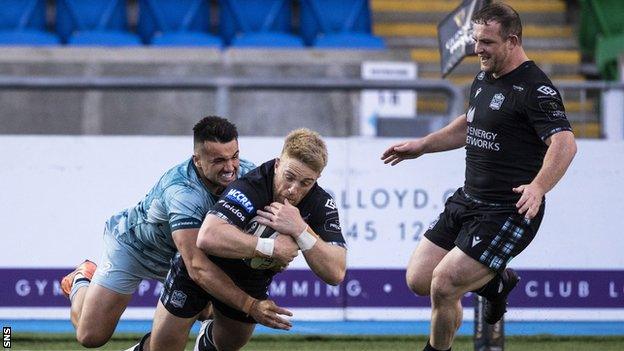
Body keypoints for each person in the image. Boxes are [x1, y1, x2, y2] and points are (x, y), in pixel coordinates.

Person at [381, 3, 577, 351]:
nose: (477, 49)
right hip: (468, 200)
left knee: (443, 284)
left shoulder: (536, 88)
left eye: (486, 42)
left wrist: (539, 186)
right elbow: (472, 123)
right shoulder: (485, 75)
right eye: (475, 40)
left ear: (512, 41)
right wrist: (423, 146)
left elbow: (564, 144)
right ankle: (494, 285)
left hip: (508, 210)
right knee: (419, 280)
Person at [61, 116, 294, 349]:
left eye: (234, 156)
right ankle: (82, 279)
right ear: (198, 161)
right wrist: (251, 305)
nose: (231, 167)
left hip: (181, 254)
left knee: (204, 311)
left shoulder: (247, 175)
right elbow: (197, 267)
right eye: (219, 160)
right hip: (135, 248)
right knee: (90, 336)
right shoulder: (182, 192)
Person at [147, 128, 347, 351]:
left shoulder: (320, 202)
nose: (293, 190)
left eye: (305, 183)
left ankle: (207, 339)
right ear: (278, 164)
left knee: (224, 345)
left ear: (317, 179)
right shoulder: (252, 184)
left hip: (250, 279)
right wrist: (270, 248)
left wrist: (300, 229)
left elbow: (336, 272)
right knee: (161, 348)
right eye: (289, 177)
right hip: (205, 267)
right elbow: (208, 236)